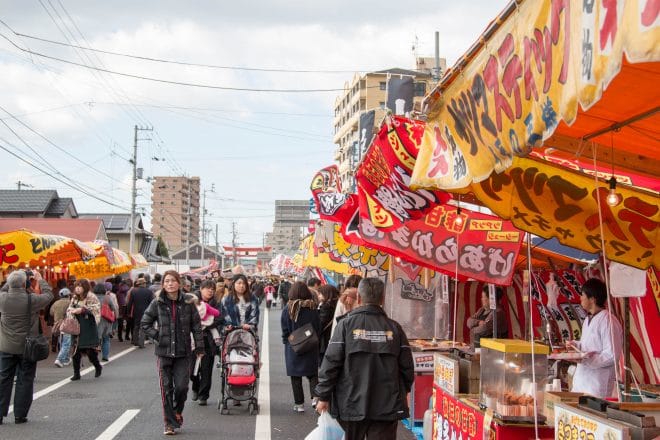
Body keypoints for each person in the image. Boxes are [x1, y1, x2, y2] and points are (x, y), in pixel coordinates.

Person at [315, 278, 414, 440]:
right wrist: (403, 391)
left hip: (349, 403)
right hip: (386, 405)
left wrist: (323, 396)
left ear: (359, 298)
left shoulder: (345, 326)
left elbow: (331, 363)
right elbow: (407, 368)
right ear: (382, 299)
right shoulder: (395, 328)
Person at [141, 270, 204, 436]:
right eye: (167, 281)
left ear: (179, 284)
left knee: (182, 388)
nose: (170, 284)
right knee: (166, 389)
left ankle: (177, 412)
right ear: (163, 284)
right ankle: (169, 423)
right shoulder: (157, 303)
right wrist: (158, 337)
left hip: (183, 353)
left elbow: (197, 327)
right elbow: (145, 323)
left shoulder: (188, 303)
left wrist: (199, 347)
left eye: (173, 281)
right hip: (164, 353)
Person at [0, 270, 53, 425]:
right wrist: (40, 279)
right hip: (27, 347)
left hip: (6, 346)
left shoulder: (2, 298)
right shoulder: (32, 300)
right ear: (25, 283)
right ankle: (20, 415)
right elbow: (49, 295)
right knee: (25, 380)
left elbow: (4, 289)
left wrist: (12, 278)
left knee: (3, 379)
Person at [568, 278, 623, 398]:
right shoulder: (588, 319)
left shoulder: (608, 321)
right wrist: (574, 345)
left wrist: (586, 360)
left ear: (592, 299)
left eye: (583, 295)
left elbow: (612, 355)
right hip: (581, 381)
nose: (580, 298)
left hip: (597, 384)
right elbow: (587, 344)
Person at [281, 282, 321, 413]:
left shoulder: (288, 309)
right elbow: (318, 328)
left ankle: (299, 404)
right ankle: (315, 398)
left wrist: (288, 341)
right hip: (310, 346)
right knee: (312, 374)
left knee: (295, 376)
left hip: (293, 347)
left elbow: (285, 330)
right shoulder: (312, 308)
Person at [190, 280, 223, 406]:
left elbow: (220, 317)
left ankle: (203, 395)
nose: (211, 291)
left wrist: (208, 324)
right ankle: (195, 386)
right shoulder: (192, 300)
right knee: (192, 369)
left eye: (212, 289)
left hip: (208, 339)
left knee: (206, 369)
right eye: (208, 288)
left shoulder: (216, 303)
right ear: (201, 288)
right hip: (193, 339)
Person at [68, 278, 103, 381]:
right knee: (75, 351)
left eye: (80, 286)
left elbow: (96, 309)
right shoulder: (74, 297)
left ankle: (98, 366)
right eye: (76, 286)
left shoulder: (91, 297)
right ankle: (76, 373)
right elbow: (69, 308)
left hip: (88, 326)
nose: (78, 288)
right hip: (76, 326)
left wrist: (82, 310)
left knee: (90, 351)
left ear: (85, 287)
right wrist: (71, 311)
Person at [126, 278, 154, 348]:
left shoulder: (134, 291)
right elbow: (152, 303)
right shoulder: (149, 292)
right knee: (143, 327)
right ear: (144, 284)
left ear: (138, 284)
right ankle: (141, 343)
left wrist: (128, 312)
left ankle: (135, 341)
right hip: (146, 312)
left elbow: (130, 303)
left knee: (136, 326)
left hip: (136, 311)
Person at [93, 284, 117, 362]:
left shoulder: (92, 298)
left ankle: (95, 356)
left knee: (96, 340)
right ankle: (105, 356)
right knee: (106, 339)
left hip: (95, 320)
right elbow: (113, 308)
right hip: (106, 320)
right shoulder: (107, 298)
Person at [51, 287, 72, 367]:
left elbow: (51, 313)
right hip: (66, 324)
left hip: (57, 325)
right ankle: (59, 359)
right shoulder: (70, 303)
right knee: (66, 343)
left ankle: (66, 359)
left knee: (62, 342)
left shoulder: (56, 303)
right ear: (68, 295)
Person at [317, 284, 339, 361]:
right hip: (334, 336)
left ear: (326, 294)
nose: (318, 296)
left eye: (320, 294)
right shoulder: (337, 304)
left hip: (325, 338)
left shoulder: (326, 306)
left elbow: (321, 323)